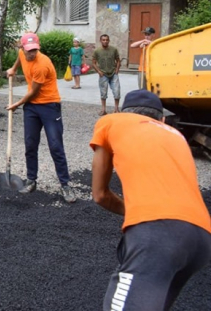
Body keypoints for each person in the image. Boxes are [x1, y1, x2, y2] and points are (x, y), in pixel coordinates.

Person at [89, 89, 211, 310]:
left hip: (158, 238)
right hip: (201, 238)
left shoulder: (112, 121)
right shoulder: (177, 136)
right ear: (162, 119)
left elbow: (100, 195)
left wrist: (137, 210)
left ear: (125, 111)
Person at [6, 32, 76, 203]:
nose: (31, 54)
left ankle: (65, 184)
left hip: (49, 106)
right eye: (28, 50)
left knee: (55, 145)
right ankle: (31, 180)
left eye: (34, 50)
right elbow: (19, 57)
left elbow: (33, 92)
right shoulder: (22, 53)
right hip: (32, 108)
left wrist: (16, 104)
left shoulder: (42, 64)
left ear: (39, 48)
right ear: (22, 48)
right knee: (30, 144)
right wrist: (14, 69)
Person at [92, 34, 121, 116]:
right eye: (103, 40)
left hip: (113, 73)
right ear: (100, 41)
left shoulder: (114, 49)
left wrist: (117, 70)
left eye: (106, 40)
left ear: (109, 40)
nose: (105, 41)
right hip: (103, 74)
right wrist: (98, 71)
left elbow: (118, 60)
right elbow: (93, 62)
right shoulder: (97, 51)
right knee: (103, 92)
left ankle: (116, 109)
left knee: (117, 91)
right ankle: (103, 109)